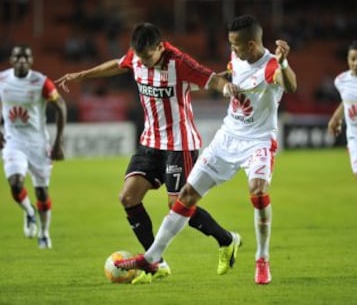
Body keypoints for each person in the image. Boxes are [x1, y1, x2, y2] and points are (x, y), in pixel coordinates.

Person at [115, 14, 297, 285]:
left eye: (235, 44)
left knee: (258, 191)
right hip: (227, 137)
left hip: (258, 141)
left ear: (251, 44)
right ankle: (152, 258)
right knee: (186, 196)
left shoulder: (270, 65)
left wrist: (283, 62)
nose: (231, 49)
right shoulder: (237, 57)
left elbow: (290, 85)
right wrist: (220, 83)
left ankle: (262, 258)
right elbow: (229, 74)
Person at [55, 22, 241, 279]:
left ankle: (227, 240)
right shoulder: (137, 57)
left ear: (160, 47)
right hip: (150, 142)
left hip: (180, 144)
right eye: (139, 57)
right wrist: (83, 75)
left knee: (177, 205)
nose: (143, 61)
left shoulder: (179, 62)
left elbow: (212, 79)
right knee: (128, 198)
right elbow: (116, 65)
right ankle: (157, 264)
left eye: (148, 56)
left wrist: (227, 88)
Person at [0, 44, 67, 249]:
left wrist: (57, 142)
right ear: (11, 60)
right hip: (14, 142)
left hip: (38, 144)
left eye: (26, 57)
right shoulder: (2, 80)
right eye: (17, 57)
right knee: (16, 183)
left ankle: (44, 233)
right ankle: (29, 212)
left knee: (42, 192)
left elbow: (61, 106)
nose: (21, 60)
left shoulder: (41, 82)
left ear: (31, 61)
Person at [328, 39, 357, 185]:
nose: (356, 63)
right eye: (353, 59)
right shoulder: (341, 81)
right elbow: (346, 102)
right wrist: (335, 118)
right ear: (347, 59)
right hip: (355, 139)